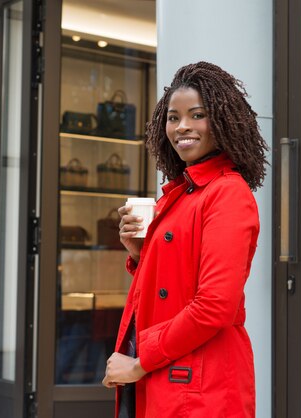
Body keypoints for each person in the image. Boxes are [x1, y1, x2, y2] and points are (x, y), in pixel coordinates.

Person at [102, 61, 269, 418]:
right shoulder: (183, 192)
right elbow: (176, 286)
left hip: (198, 383)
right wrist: (142, 253)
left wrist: (139, 362)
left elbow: (214, 306)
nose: (183, 127)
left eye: (197, 115)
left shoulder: (227, 193)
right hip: (174, 374)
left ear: (223, 121)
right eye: (173, 117)